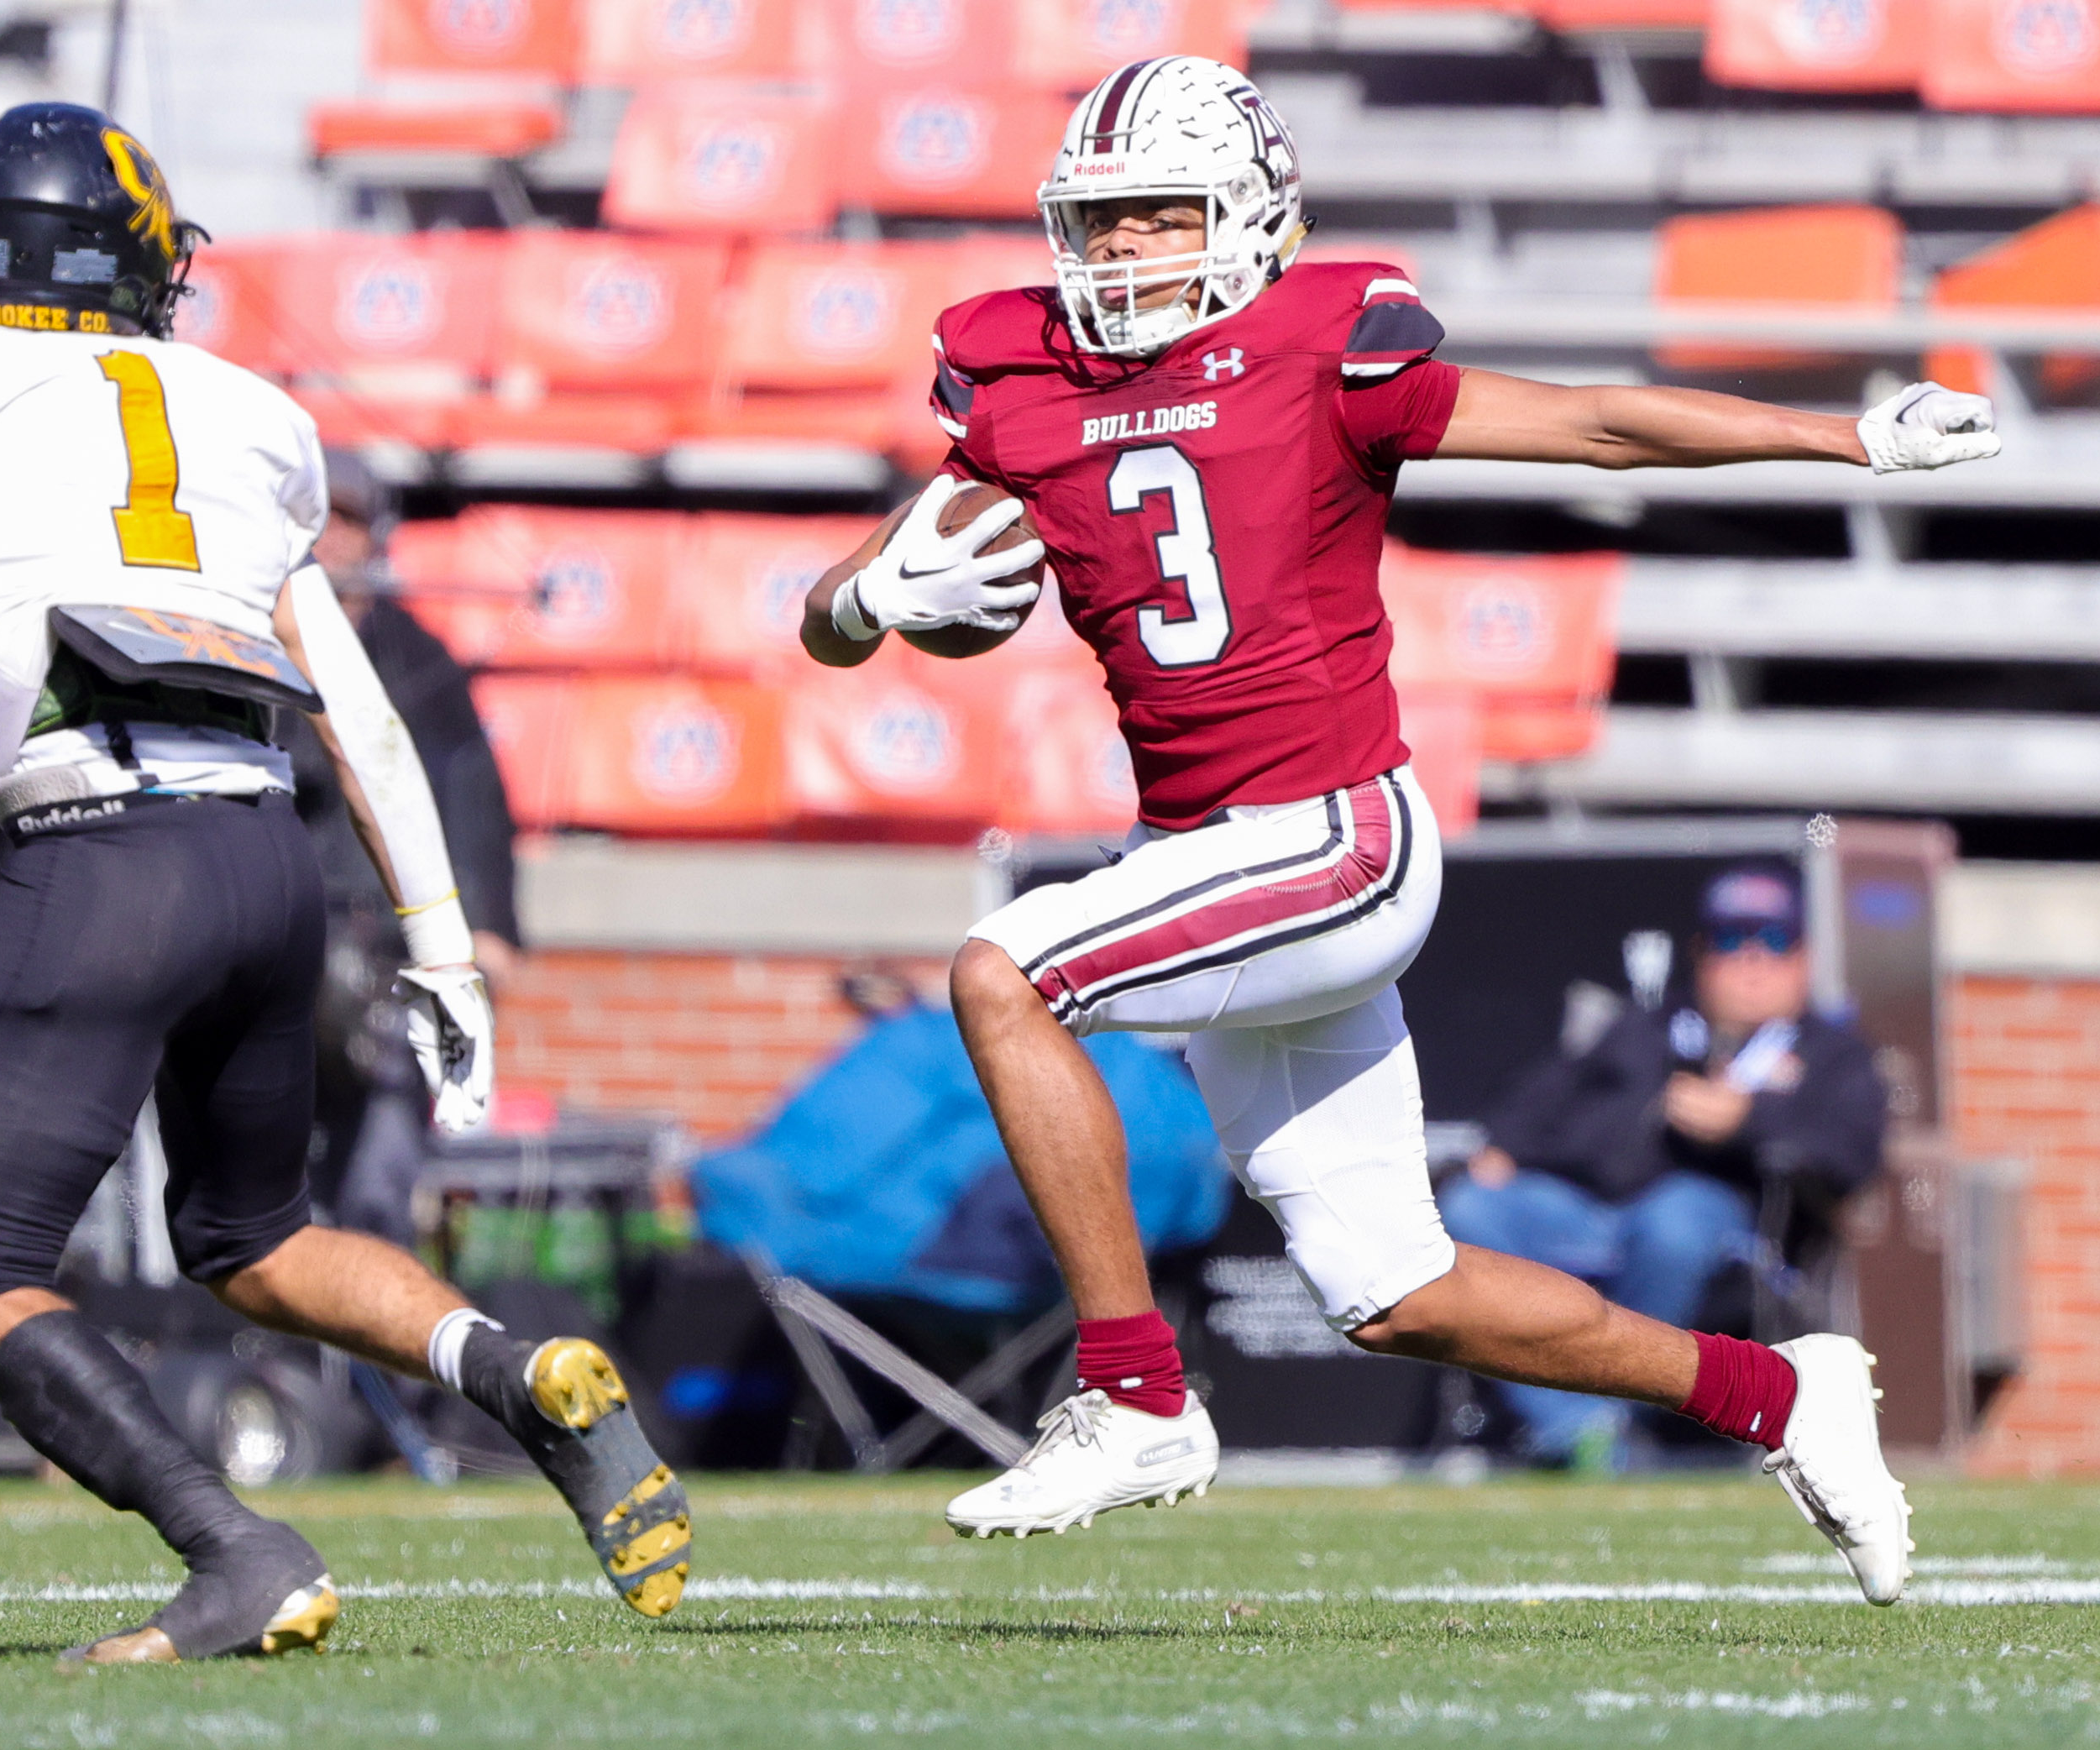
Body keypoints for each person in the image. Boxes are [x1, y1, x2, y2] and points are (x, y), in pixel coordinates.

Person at [799, 55, 1997, 1606]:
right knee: (1398, 1291)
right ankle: (1781, 1394)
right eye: (1096, 225)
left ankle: (1136, 1392)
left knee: (1001, 969)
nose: (1120, 257)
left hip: (1331, 835)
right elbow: (849, 615)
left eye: (1159, 220)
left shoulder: (1319, 348)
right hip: (1212, 860)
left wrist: (1848, 438)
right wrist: (869, 602)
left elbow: (1596, 430)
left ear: (1249, 219)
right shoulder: (1020, 379)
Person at [0, 103, 689, 1660]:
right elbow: (363, 718)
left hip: (97, 858)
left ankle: (232, 1546)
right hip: (262, 862)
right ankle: (515, 1371)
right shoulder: (247, 417)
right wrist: (442, 945)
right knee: (254, 1237)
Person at [1444, 862, 1887, 1465]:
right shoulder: (1647, 1027)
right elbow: (1544, 1099)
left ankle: (1608, 1415)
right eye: (1733, 941)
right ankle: (1579, 1427)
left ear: (1804, 958)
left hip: (1730, 1228)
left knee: (1673, 1222)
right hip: (1594, 1209)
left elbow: (1852, 1157)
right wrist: (1504, 1149)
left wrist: (1745, 1121)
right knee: (1472, 1210)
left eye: (1775, 942)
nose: (1752, 962)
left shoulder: (1830, 1052)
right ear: (1702, 953)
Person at [289, 453, 520, 1238]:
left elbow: (471, 793)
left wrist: (486, 928)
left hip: (385, 953)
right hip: (278, 942)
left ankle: (370, 1352)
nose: (329, 540)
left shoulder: (419, 661)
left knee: (378, 1185)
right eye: (316, 519)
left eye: (347, 521)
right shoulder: (242, 645)